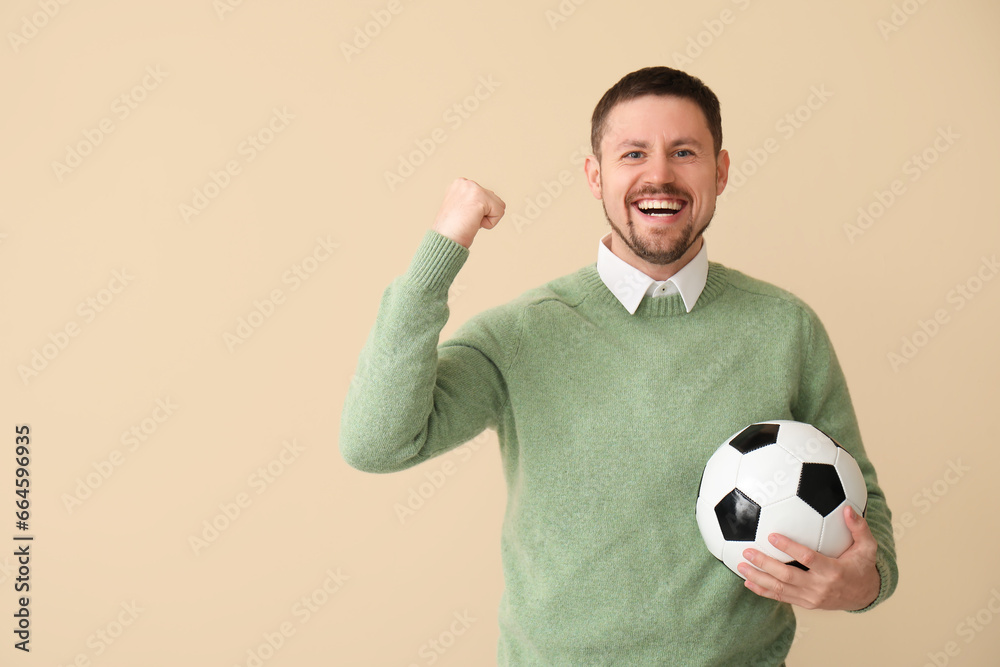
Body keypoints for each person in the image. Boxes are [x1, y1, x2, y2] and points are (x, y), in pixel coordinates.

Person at [339, 66, 898, 665]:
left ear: (722, 170)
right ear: (595, 176)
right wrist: (442, 248)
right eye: (634, 153)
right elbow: (376, 443)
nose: (659, 174)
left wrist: (861, 585)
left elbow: (869, 525)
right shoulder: (521, 333)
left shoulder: (786, 328)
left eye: (684, 151)